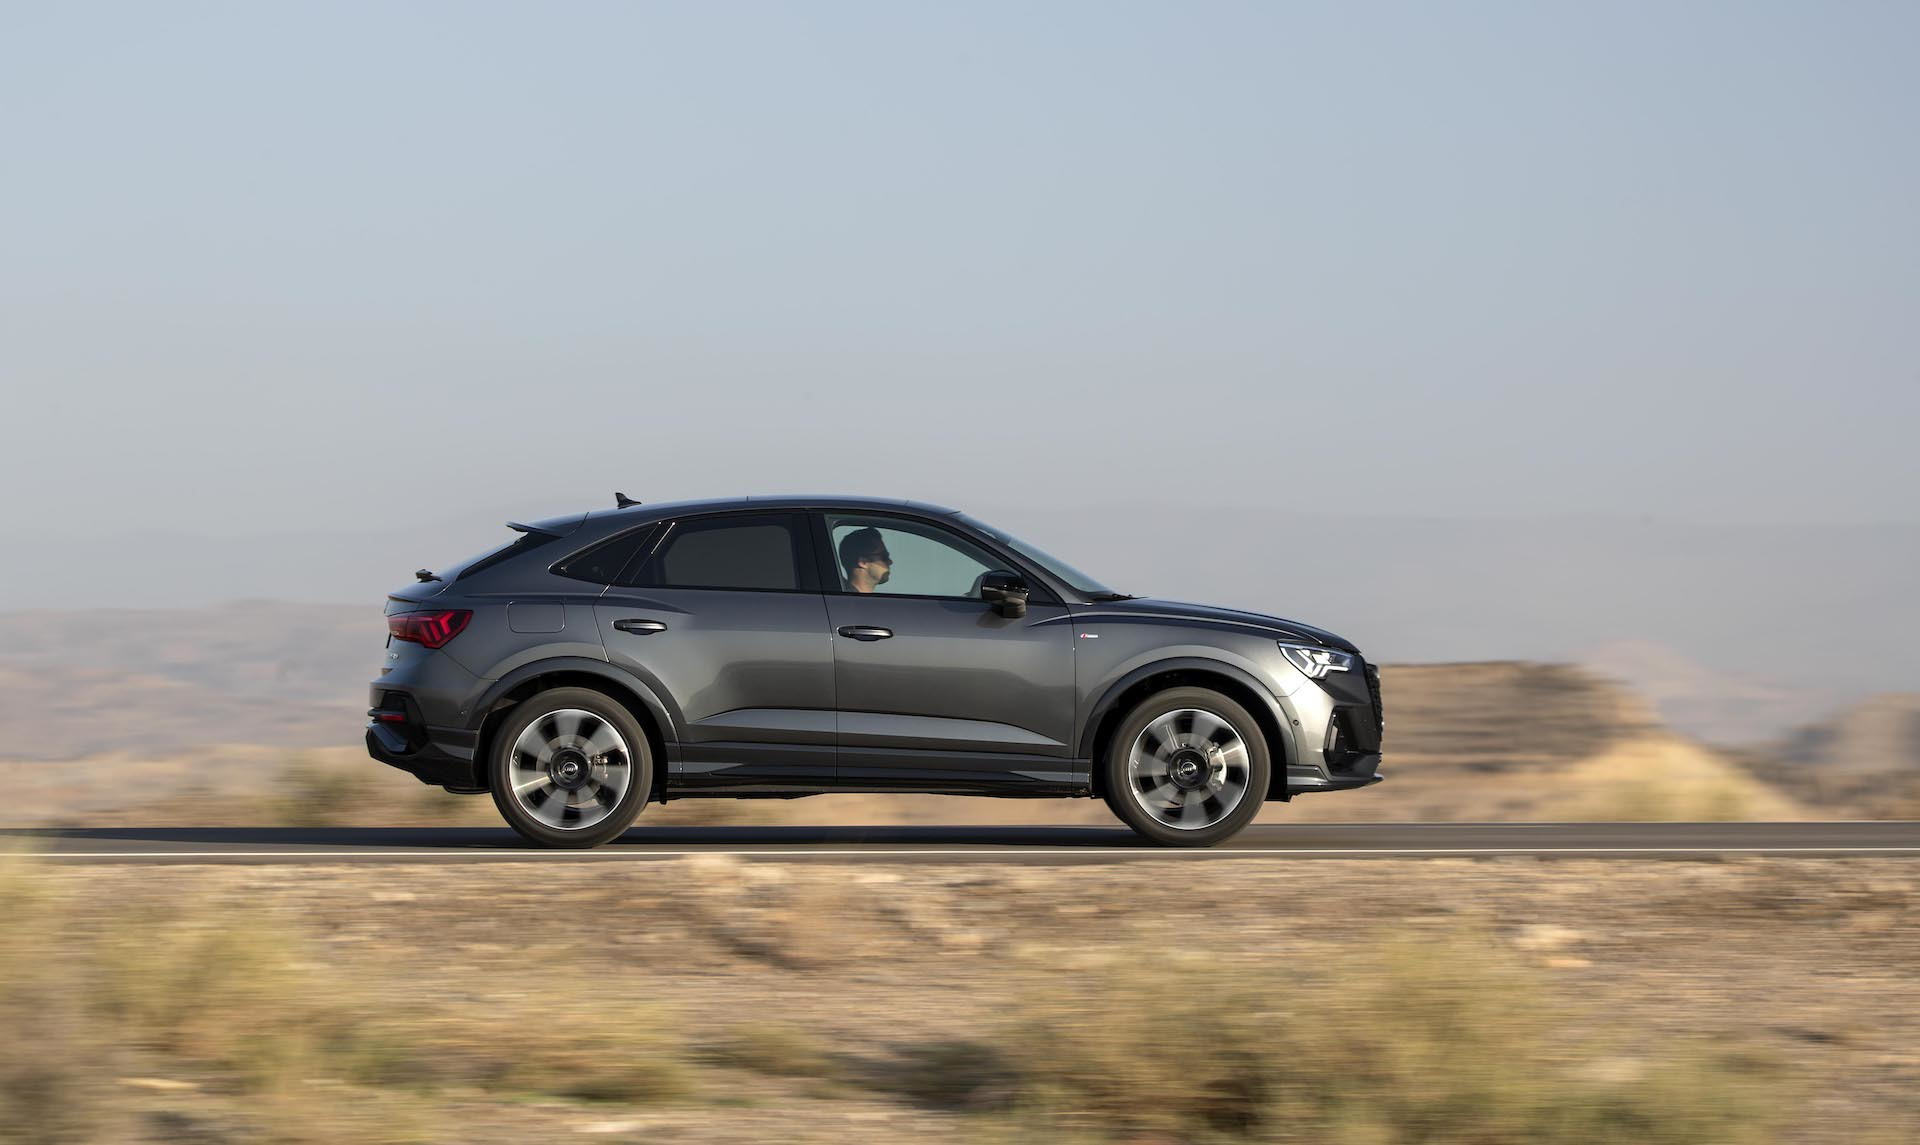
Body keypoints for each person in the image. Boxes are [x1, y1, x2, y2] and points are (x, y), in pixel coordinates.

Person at [838, 527, 892, 592]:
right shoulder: (847, 601)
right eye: (884, 556)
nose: (890, 562)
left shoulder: (844, 599)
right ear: (863, 562)